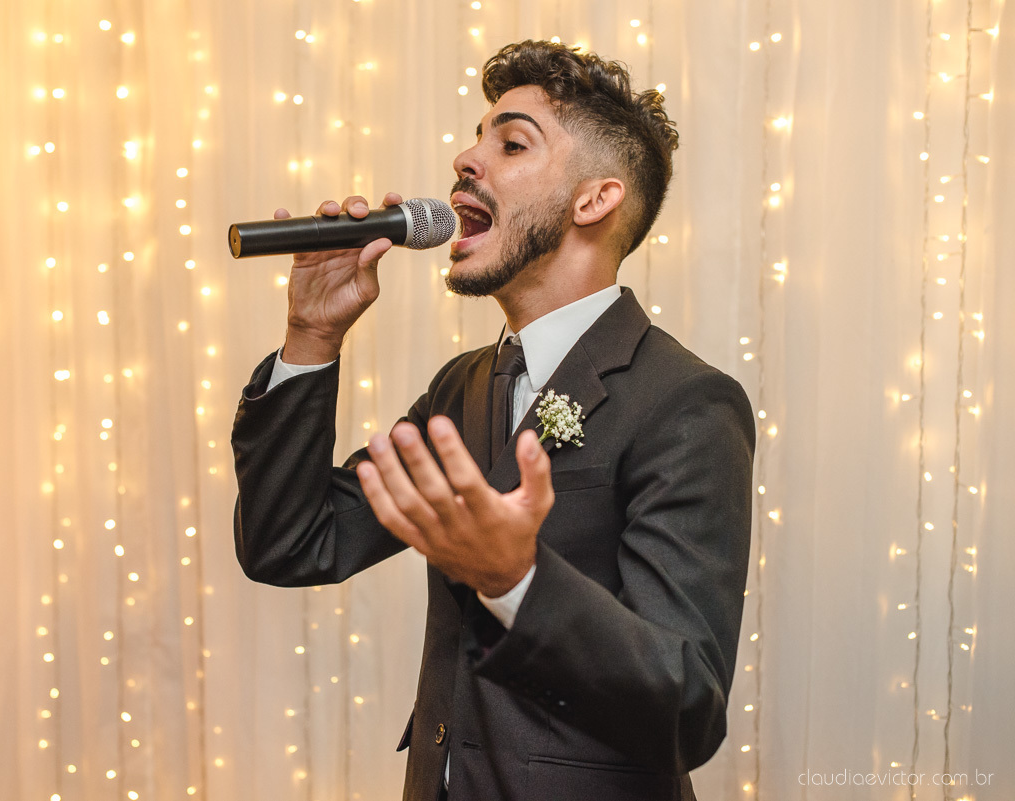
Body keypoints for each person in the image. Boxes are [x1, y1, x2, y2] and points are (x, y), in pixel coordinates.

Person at [231, 40, 755, 801]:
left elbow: (688, 710)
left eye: (509, 142)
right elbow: (291, 543)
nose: (464, 157)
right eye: (477, 137)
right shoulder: (462, 388)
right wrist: (312, 338)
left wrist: (517, 580)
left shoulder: (686, 403)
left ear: (594, 200)